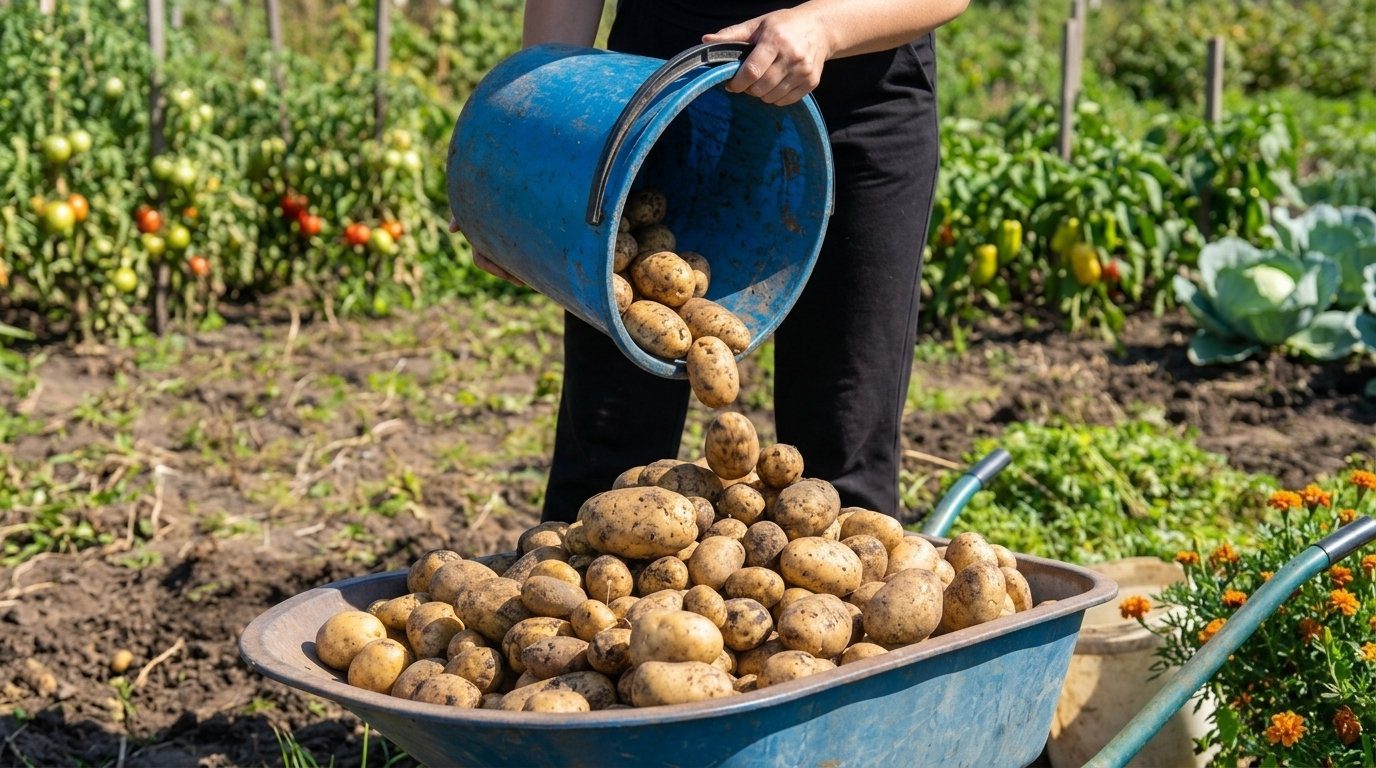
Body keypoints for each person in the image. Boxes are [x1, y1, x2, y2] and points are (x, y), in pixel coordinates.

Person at [453, 0, 969, 523]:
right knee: (606, 463)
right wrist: (533, 127)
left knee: (842, 462)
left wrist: (825, 26)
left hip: (862, 91)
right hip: (658, 94)